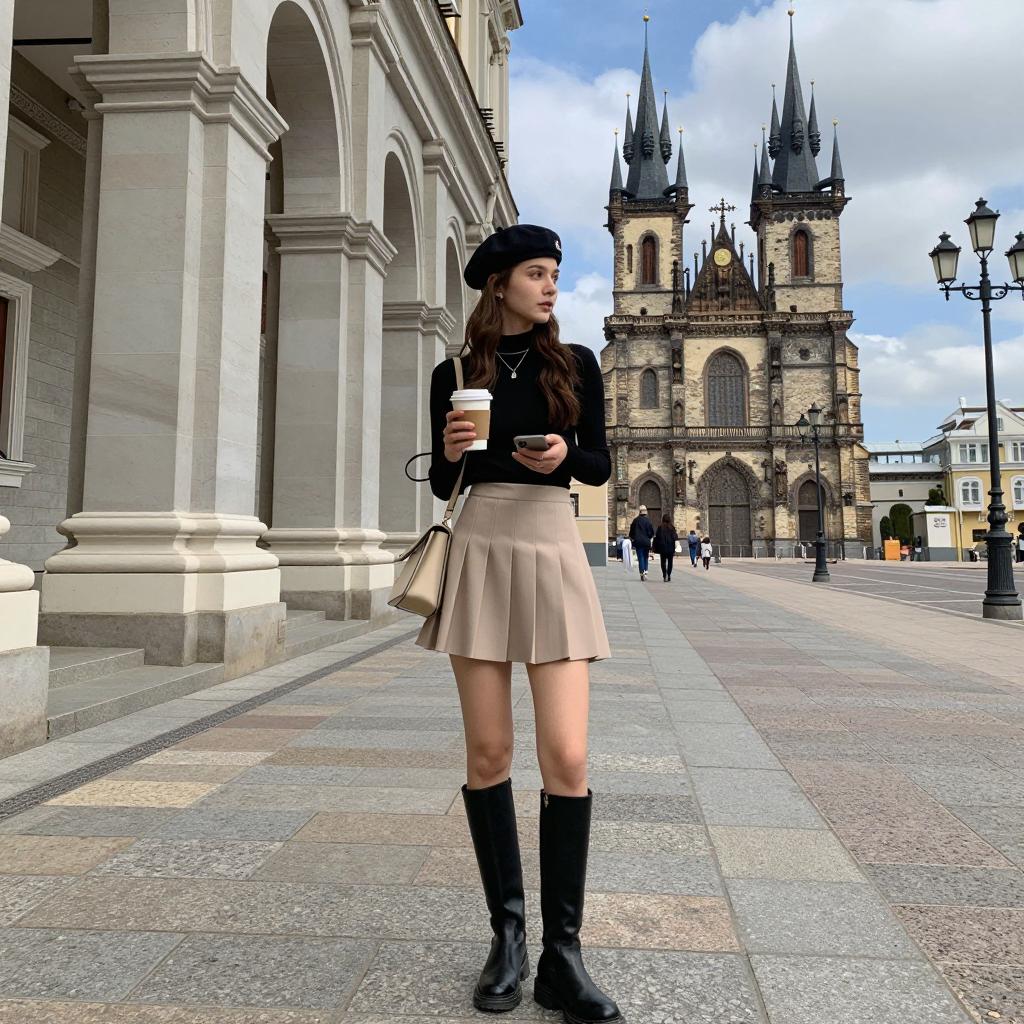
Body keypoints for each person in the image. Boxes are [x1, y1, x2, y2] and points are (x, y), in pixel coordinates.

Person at [419, 224, 622, 1023]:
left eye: (554, 274)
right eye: (536, 273)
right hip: (479, 543)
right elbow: (444, 485)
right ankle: (507, 936)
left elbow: (600, 463)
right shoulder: (453, 373)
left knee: (566, 754)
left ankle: (562, 955)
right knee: (490, 751)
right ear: (498, 283)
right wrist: (449, 448)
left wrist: (565, 454)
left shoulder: (576, 365)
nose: (550, 287)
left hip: (550, 540)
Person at [628, 504, 655, 581]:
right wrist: (649, 537)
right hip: (646, 542)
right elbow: (651, 533)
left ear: (639, 512)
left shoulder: (635, 521)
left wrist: (633, 538)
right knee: (646, 557)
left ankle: (642, 573)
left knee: (640, 557)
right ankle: (645, 572)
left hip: (638, 542)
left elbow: (631, 532)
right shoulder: (648, 521)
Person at [654, 513, 679, 582]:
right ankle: (669, 574)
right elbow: (675, 537)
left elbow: (657, 537)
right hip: (671, 547)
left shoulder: (660, 527)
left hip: (662, 547)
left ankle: (664, 575)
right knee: (670, 562)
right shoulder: (672, 527)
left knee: (663, 562)